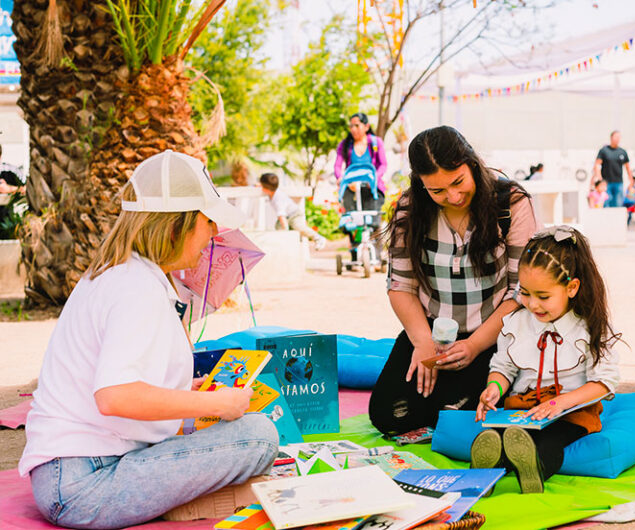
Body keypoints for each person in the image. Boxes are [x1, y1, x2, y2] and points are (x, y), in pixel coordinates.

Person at [19, 151, 279, 529]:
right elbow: (115, 396)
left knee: (247, 431)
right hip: (82, 484)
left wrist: (185, 390)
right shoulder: (136, 287)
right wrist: (215, 402)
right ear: (176, 227)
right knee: (259, 435)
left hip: (79, 469)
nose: (214, 232)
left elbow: (118, 377)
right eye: (208, 221)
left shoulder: (127, 275)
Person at [368, 126, 537, 436]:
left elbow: (520, 291)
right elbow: (401, 286)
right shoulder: (409, 208)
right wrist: (422, 343)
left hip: (494, 336)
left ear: (471, 164)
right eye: (437, 191)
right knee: (388, 415)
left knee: (465, 414)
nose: (454, 197)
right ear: (421, 184)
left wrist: (473, 345)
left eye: (458, 182)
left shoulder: (510, 203)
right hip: (432, 334)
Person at [471, 226, 620, 493]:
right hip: (523, 411)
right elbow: (503, 367)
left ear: (571, 288)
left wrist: (561, 402)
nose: (532, 304)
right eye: (525, 293)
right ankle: (487, 472)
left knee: (548, 442)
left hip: (570, 413)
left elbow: (604, 382)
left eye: (543, 297)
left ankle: (534, 470)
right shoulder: (516, 323)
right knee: (499, 436)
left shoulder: (589, 327)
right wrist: (494, 387)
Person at [334, 112, 387, 259]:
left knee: (373, 220)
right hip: (352, 188)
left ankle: (377, 255)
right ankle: (355, 253)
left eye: (357, 125)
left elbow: (383, 165)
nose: (353, 129)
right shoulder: (345, 145)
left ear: (366, 126)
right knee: (353, 221)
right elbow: (337, 166)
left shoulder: (375, 143)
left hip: (372, 188)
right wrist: (341, 179)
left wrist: (374, 179)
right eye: (351, 126)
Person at [259, 172, 327, 250]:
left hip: (294, 215)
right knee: (278, 227)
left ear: (265, 188)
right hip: (288, 216)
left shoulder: (277, 199)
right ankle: (286, 245)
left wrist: (286, 231)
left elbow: (281, 216)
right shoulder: (273, 191)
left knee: (299, 227)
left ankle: (318, 238)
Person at [592, 131, 632, 208]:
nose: (617, 139)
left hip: (619, 182)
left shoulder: (622, 152)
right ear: (611, 138)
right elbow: (597, 164)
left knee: (618, 203)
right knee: (606, 203)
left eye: (619, 137)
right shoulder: (604, 150)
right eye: (616, 137)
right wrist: (599, 178)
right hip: (606, 183)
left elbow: (627, 167)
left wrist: (631, 181)